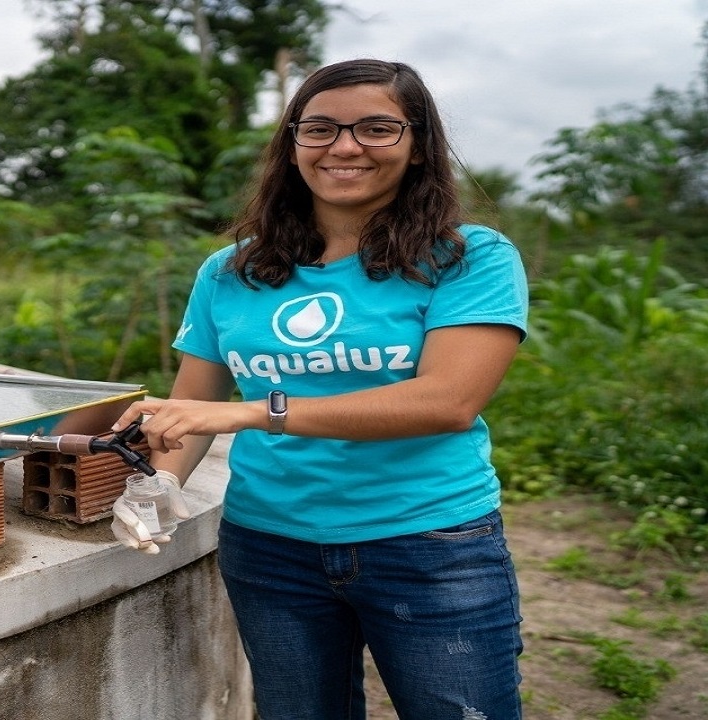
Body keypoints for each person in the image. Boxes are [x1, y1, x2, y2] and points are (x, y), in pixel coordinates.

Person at [109, 58, 529, 719]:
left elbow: (447, 400)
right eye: (321, 128)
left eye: (377, 127)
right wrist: (159, 484)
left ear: (418, 145)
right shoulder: (232, 270)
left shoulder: (467, 257)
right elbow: (189, 407)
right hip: (269, 547)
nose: (345, 145)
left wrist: (253, 411)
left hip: (428, 543)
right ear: (293, 143)